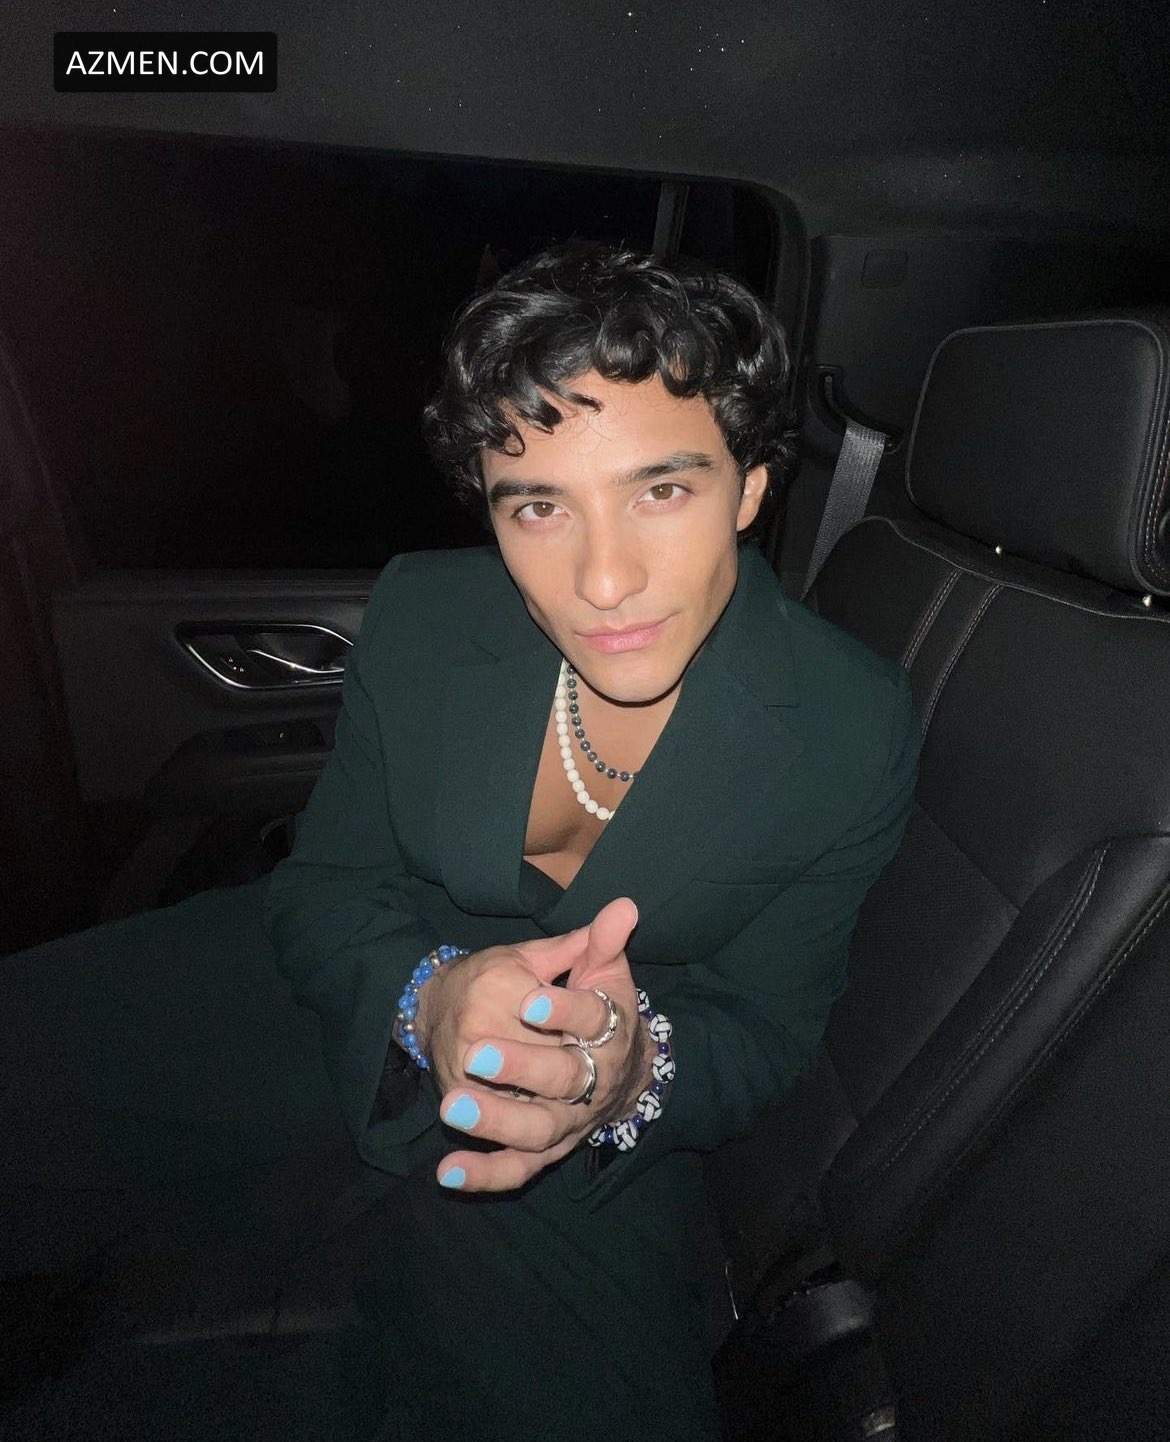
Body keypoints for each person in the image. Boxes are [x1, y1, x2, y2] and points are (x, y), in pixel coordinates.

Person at [0, 244, 919, 1441]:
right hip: (352, 991)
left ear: (748, 486)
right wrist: (427, 996)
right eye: (538, 505)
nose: (603, 578)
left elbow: (767, 1025)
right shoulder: (426, 611)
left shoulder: (850, 723)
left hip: (581, 1122)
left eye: (661, 489)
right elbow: (325, 887)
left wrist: (628, 1070)